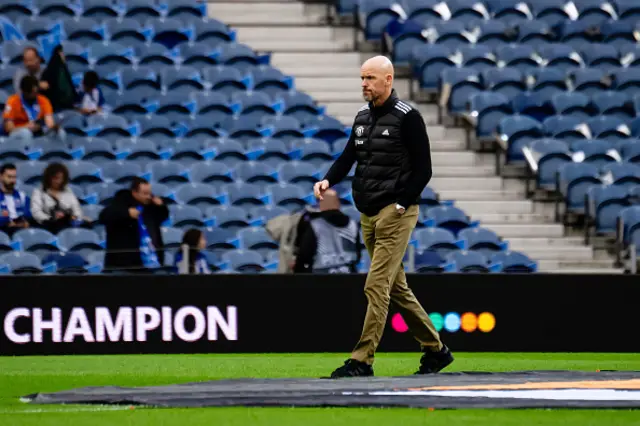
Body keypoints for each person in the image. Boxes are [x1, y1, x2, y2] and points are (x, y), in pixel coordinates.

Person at [313, 56, 453, 378]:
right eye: (362, 78)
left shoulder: (409, 118)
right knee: (396, 288)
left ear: (388, 80)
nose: (364, 84)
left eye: (371, 78)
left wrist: (403, 203)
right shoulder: (362, 117)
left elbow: (424, 169)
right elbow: (349, 156)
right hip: (368, 213)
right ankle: (436, 350)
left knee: (375, 286)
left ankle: (362, 360)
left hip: (395, 212)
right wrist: (327, 180)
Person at [99, 177, 169, 273]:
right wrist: (127, 213)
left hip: (149, 263)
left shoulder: (151, 206)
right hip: (124, 265)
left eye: (150, 193)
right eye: (145, 193)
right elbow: (103, 216)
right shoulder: (120, 203)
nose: (148, 197)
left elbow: (162, 217)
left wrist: (161, 206)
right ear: (134, 192)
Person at [293, 189, 360, 274]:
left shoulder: (315, 225)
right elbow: (357, 256)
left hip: (321, 279)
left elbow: (304, 255)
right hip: (350, 277)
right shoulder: (352, 224)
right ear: (338, 203)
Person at [3, 75, 64, 141]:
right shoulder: (12, 101)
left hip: (39, 131)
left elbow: (49, 121)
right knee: (26, 133)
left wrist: (53, 127)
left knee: (59, 132)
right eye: (32, 93)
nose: (35, 95)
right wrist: (26, 127)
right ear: (24, 92)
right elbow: (8, 128)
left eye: (36, 92)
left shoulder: (43, 100)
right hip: (19, 132)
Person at [30, 162, 83, 234]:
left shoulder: (68, 190)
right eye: (55, 178)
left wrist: (74, 216)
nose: (58, 181)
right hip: (49, 224)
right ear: (49, 178)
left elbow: (76, 208)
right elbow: (36, 212)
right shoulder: (39, 192)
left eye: (61, 178)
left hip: (67, 223)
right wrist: (51, 218)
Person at [0, 163, 31, 236]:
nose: (12, 180)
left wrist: (24, 222)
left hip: (21, 231)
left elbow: (28, 215)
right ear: (1, 177)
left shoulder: (22, 196)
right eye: (9, 177)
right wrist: (7, 222)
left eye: (14, 177)